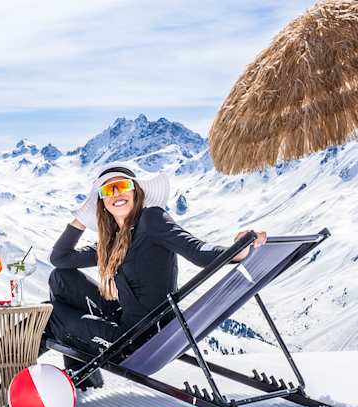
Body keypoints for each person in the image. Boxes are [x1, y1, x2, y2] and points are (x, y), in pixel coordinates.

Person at [45, 162, 266, 389]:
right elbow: (60, 259)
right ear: (102, 203)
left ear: (136, 191)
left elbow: (198, 251)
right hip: (125, 321)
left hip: (138, 341)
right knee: (60, 278)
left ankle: (29, 370)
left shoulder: (152, 220)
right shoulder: (112, 241)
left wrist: (240, 250)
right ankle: (81, 375)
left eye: (122, 185)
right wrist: (82, 217)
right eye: (107, 191)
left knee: (50, 315)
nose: (116, 193)